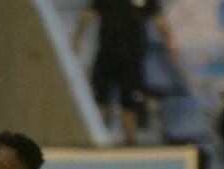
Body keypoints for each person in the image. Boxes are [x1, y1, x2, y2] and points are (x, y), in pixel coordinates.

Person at [73, 0, 180, 146]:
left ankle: (130, 143)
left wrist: (170, 40)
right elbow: (89, 15)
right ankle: (94, 141)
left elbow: (159, 19)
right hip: (107, 56)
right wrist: (77, 38)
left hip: (132, 59)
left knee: (130, 103)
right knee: (101, 100)